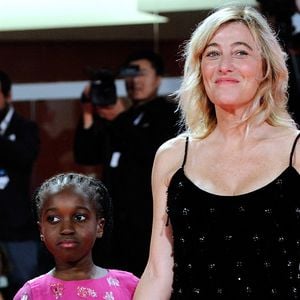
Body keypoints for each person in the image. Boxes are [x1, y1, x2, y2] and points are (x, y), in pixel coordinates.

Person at [134, 5, 300, 299]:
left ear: (265, 68)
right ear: (200, 69)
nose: (225, 65)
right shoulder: (172, 157)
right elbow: (159, 271)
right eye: (212, 53)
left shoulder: (296, 151)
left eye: (241, 52)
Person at [74, 50, 181, 276]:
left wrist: (121, 118)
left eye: (141, 74)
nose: (135, 81)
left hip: (147, 221)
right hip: (114, 222)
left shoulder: (169, 114)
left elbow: (154, 154)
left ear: (158, 78)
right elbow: (86, 155)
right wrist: (87, 114)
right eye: (130, 75)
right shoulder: (121, 116)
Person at [13, 172, 139, 300]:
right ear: (41, 230)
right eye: (53, 219)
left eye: (79, 217)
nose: (67, 229)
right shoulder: (32, 294)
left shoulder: (129, 286)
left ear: (99, 226)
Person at [0, 70, 40, 298]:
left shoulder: (26, 128)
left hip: (18, 228)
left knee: (25, 286)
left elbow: (25, 157)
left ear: (8, 95)